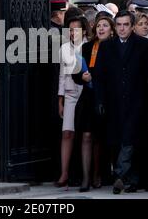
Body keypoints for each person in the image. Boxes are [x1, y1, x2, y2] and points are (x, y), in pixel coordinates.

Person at [94, 10, 148, 194]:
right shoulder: (106, 47)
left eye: (125, 25)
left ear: (132, 26)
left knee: (130, 139)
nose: (122, 28)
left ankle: (120, 175)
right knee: (118, 141)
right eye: (119, 25)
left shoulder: (145, 46)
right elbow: (99, 76)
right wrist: (99, 100)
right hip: (113, 102)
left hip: (137, 101)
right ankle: (131, 180)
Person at [72, 16, 115, 192]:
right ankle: (85, 177)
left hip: (108, 97)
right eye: (98, 26)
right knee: (87, 136)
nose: (101, 28)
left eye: (105, 26)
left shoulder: (115, 47)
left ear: (111, 29)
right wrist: (81, 77)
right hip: (89, 97)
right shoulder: (88, 47)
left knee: (100, 138)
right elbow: (75, 72)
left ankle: (98, 174)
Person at [56, 14, 91, 188]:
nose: (72, 33)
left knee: (86, 135)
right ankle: (64, 173)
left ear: (84, 30)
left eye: (76, 29)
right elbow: (62, 75)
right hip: (70, 94)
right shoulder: (64, 48)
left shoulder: (90, 46)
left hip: (87, 94)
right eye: (70, 30)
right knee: (67, 132)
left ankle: (89, 174)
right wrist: (60, 100)